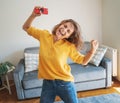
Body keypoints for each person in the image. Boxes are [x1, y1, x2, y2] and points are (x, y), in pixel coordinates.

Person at [23, 6, 98, 103]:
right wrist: (33, 15)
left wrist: (92, 50)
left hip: (65, 83)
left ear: (68, 36)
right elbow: (26, 27)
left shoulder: (68, 46)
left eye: (68, 31)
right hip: (48, 82)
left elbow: (83, 61)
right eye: (65, 26)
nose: (64, 30)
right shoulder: (44, 35)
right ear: (60, 24)